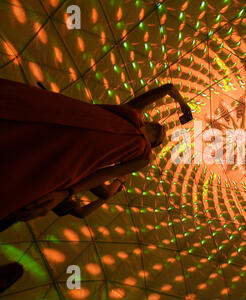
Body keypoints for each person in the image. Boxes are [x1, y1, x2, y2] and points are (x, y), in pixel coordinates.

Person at [0, 79, 191, 230]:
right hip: (55, 120)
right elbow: (167, 88)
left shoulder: (143, 157)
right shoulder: (131, 114)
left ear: (155, 144)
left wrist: (67, 192)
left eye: (163, 137)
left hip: (62, 162)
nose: (164, 131)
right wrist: (183, 104)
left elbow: (105, 174)